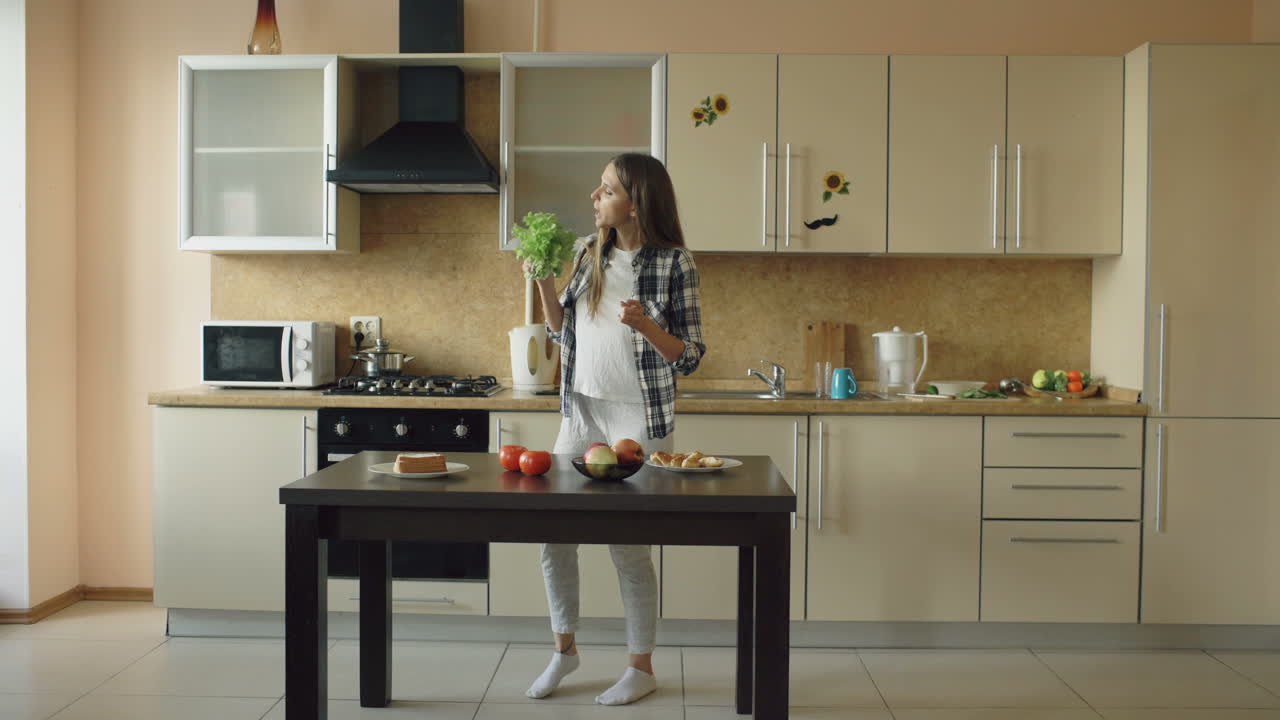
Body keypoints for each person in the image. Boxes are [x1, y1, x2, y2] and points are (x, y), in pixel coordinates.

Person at [520, 153, 706, 705]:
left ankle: (640, 666)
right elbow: (562, 335)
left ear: (636, 201)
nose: (594, 198)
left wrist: (647, 325)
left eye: (605, 190)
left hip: (637, 416)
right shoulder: (586, 252)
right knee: (553, 537)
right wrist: (546, 285)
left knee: (627, 547)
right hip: (581, 410)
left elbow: (690, 356)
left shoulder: (676, 264)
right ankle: (564, 651)